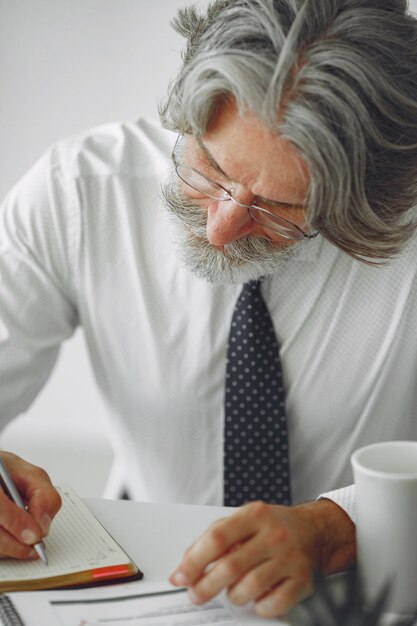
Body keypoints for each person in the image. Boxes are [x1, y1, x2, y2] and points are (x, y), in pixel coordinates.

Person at [1, 0, 417, 618]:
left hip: (376, 586)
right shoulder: (81, 192)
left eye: (279, 209)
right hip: (136, 585)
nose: (221, 228)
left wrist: (338, 526)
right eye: (210, 167)